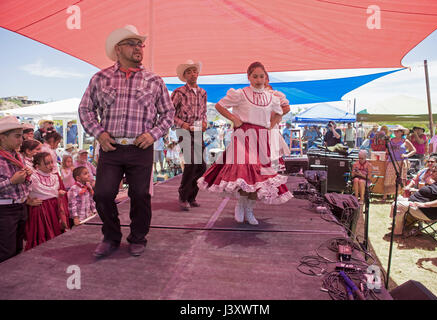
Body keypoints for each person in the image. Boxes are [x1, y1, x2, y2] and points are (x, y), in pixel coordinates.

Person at [78, 25, 175, 258]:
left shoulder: (154, 80)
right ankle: (111, 237)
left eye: (140, 44)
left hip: (140, 147)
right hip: (110, 147)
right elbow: (85, 109)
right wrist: (99, 133)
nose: (138, 48)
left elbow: (168, 113)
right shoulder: (100, 78)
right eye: (132, 44)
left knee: (141, 195)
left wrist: (152, 134)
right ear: (118, 49)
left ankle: (138, 237)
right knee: (101, 194)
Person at [198, 61, 293, 225]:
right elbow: (220, 106)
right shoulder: (241, 94)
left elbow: (281, 111)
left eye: (261, 76)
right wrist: (234, 119)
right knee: (245, 172)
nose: (258, 79)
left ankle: (249, 208)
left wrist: (271, 124)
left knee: (259, 177)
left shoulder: (272, 97)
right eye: (255, 76)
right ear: (249, 77)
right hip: (243, 137)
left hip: (262, 139)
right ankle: (240, 207)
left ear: (265, 77)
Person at [171, 60, 207, 211]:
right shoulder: (179, 92)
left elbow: (204, 113)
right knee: (191, 162)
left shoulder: (203, 93)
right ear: (184, 76)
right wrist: (183, 124)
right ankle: (183, 195)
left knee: (201, 166)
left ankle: (191, 196)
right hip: (184, 130)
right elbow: (170, 113)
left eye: (194, 71)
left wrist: (205, 123)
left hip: (198, 130)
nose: (193, 74)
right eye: (189, 72)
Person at [0, 116, 33, 263]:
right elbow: (13, 182)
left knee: (18, 247)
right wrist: (12, 181)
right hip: (5, 209)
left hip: (20, 206)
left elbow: (25, 185)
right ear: (2, 138)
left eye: (21, 136)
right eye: (17, 136)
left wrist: (27, 178)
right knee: (6, 250)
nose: (21, 140)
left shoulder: (17, 156)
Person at [25, 152, 69, 250]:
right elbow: (26, 191)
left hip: (53, 207)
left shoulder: (54, 176)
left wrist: (58, 193)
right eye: (47, 163)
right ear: (37, 166)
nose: (50, 166)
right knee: (42, 232)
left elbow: (52, 192)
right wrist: (29, 201)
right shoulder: (33, 177)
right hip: (41, 209)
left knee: (54, 230)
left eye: (51, 162)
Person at [390, 163, 437, 236]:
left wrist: (425, 204)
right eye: (431, 171)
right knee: (399, 198)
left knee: (397, 205)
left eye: (434, 171)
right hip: (419, 206)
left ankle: (398, 231)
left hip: (427, 212)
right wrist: (414, 190)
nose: (431, 173)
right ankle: (403, 225)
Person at [383, 125, 416, 200]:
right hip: (391, 161)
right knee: (388, 177)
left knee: (400, 178)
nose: (396, 132)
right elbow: (387, 151)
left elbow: (414, 150)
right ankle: (385, 195)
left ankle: (398, 195)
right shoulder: (390, 140)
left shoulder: (405, 141)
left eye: (398, 131)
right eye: (395, 131)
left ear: (402, 132)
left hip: (401, 162)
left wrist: (406, 154)